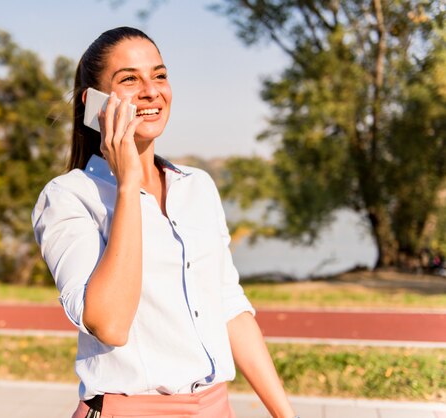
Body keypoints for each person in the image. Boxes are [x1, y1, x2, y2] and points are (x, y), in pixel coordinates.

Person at [32, 26, 299, 418]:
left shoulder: (198, 187)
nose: (151, 91)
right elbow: (109, 324)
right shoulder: (68, 197)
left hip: (214, 407)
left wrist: (285, 414)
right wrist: (128, 186)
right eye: (129, 79)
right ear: (94, 103)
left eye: (159, 75)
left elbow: (229, 308)